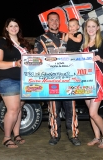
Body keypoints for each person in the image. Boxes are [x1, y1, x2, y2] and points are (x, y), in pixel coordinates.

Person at [34, 12, 81, 146]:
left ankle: (73, 135)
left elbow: (78, 52)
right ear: (47, 22)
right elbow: (39, 58)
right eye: (51, 20)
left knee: (71, 109)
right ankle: (55, 135)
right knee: (53, 110)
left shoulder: (67, 35)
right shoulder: (40, 39)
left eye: (56, 20)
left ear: (59, 22)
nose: (54, 22)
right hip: (52, 80)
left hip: (68, 79)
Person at [0, 18, 32, 148]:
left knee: (19, 108)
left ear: (19, 28)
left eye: (16, 26)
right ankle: (6, 137)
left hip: (24, 80)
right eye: (11, 26)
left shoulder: (24, 43)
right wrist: (15, 63)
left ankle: (16, 134)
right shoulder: (1, 42)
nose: (14, 28)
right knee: (13, 109)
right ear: (7, 28)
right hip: (7, 79)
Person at [82, 17, 103, 148]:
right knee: (91, 113)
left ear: (98, 28)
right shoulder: (84, 45)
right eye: (89, 27)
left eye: (93, 26)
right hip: (86, 81)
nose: (91, 29)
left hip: (98, 81)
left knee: (93, 112)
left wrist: (101, 59)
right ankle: (97, 137)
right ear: (86, 29)